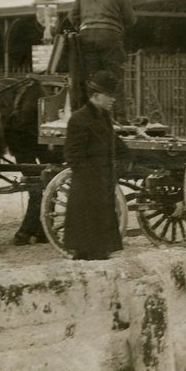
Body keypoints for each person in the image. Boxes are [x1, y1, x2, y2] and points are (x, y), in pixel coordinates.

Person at [64, 71, 129, 260]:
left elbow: (113, 141)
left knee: (100, 247)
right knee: (86, 245)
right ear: (96, 96)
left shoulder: (103, 117)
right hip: (87, 187)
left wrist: (130, 156)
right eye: (109, 96)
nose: (113, 100)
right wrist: (93, 178)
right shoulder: (79, 119)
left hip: (101, 183)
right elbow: (73, 155)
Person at [68, 0, 135, 109]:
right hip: (109, 36)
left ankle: (91, 112)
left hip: (86, 36)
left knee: (92, 77)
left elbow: (72, 15)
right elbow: (131, 20)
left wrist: (84, 26)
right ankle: (120, 116)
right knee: (115, 75)